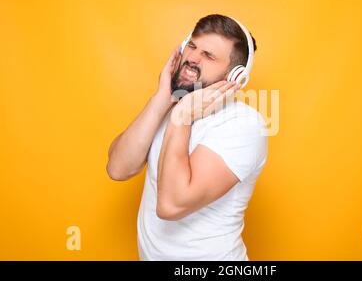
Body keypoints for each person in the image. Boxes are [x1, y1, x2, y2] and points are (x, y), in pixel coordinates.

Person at [106, 14, 268, 260]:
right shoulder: (169, 107)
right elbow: (118, 168)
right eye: (192, 46)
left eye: (209, 55)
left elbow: (171, 205)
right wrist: (162, 98)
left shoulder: (243, 124)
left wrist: (182, 116)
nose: (192, 58)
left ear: (235, 77)